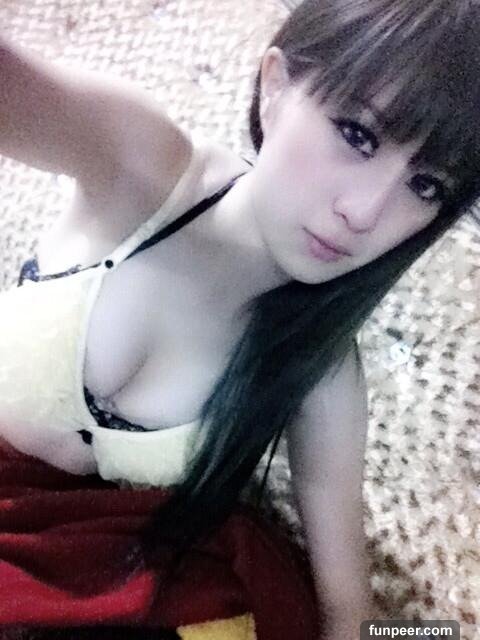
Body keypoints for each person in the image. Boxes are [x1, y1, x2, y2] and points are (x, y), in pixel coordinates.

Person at [0, 0, 478, 637]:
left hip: (105, 600)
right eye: (357, 135)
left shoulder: (321, 369)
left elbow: (350, 610)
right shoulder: (142, 166)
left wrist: (442, 635)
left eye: (426, 187)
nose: (365, 213)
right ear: (275, 86)